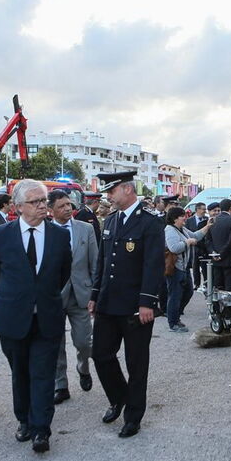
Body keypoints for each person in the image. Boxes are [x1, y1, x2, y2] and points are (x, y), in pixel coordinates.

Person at [0, 179, 72, 453]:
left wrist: (40, 295)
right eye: (35, 202)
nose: (42, 206)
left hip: (47, 317)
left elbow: (63, 273)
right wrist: (19, 296)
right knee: (20, 373)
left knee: (43, 374)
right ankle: (23, 420)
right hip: (13, 318)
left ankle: (41, 429)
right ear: (18, 206)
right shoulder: (1, 235)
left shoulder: (59, 235)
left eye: (43, 201)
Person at [88, 171, 164, 439]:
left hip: (135, 306)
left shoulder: (150, 222)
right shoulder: (110, 220)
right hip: (108, 302)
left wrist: (147, 302)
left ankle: (133, 416)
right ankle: (119, 397)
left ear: (127, 190)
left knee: (136, 364)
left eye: (112, 191)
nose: (108, 196)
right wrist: (94, 294)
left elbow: (153, 265)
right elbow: (103, 261)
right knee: (100, 355)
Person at [48, 189, 98, 405]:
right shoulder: (44, 231)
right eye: (62, 206)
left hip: (81, 295)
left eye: (69, 204)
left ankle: (83, 367)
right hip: (54, 297)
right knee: (55, 344)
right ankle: (60, 385)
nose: (68, 209)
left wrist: (95, 293)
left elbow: (95, 262)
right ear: (50, 210)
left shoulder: (85, 229)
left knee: (84, 341)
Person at [164, 206, 211, 332]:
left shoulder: (181, 229)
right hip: (175, 268)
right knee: (175, 296)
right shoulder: (170, 230)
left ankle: (176, 316)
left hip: (183, 268)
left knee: (188, 292)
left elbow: (195, 236)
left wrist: (207, 226)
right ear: (175, 219)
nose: (185, 218)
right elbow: (174, 248)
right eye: (182, 216)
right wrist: (188, 242)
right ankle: (173, 323)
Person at [205, 198, 231, 292]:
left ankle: (217, 302)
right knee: (229, 288)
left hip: (215, 259)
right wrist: (221, 254)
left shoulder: (213, 220)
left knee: (217, 287)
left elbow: (208, 240)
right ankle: (227, 303)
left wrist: (213, 253)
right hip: (229, 260)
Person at [184, 202, 210, 290]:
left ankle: (206, 283)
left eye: (205, 209)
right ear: (197, 209)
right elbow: (187, 233)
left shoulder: (207, 220)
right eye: (203, 209)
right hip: (193, 247)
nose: (205, 211)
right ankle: (196, 284)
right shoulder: (189, 220)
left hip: (203, 247)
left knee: (205, 267)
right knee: (195, 266)